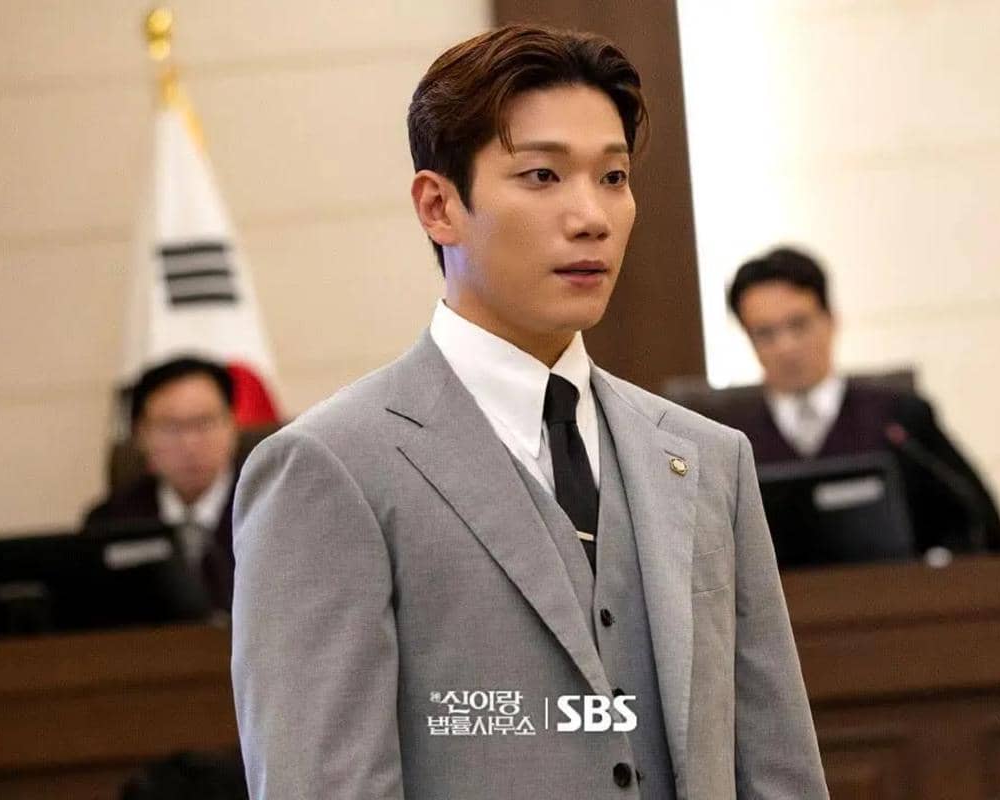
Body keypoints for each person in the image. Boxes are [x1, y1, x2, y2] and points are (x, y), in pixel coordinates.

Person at [232, 25, 828, 799]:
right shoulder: (330, 469)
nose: (592, 215)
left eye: (613, 177)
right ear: (439, 206)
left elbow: (778, 768)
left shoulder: (708, 458)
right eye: (543, 175)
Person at [723, 246, 1000, 555]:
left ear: (831, 320)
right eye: (765, 334)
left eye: (799, 325)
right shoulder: (729, 440)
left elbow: (983, 527)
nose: (786, 347)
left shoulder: (898, 421)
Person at [84, 356, 239, 611]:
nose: (190, 444)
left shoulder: (270, 510)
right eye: (171, 427)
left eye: (204, 423)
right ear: (141, 435)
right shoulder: (110, 522)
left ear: (232, 425)